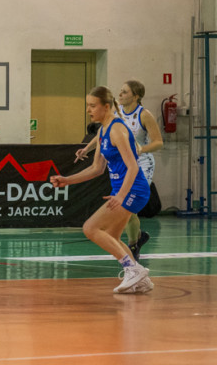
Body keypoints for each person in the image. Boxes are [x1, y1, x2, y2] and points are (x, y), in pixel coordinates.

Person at [52, 86, 154, 294]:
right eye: (87, 106)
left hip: (134, 189)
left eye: (92, 106)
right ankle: (140, 276)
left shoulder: (117, 129)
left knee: (90, 228)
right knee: (111, 237)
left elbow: (133, 166)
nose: (89, 110)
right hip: (123, 189)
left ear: (106, 106)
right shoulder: (102, 131)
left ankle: (132, 269)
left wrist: (121, 195)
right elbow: (96, 168)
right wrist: (67, 180)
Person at [76, 80, 164, 260]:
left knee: (128, 206)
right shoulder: (117, 114)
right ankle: (136, 241)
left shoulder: (144, 115)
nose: (121, 94)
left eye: (125, 92)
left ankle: (133, 245)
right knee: (125, 210)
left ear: (136, 96)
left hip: (142, 164)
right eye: (120, 92)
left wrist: (141, 148)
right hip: (125, 164)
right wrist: (87, 148)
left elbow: (158, 142)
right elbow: (103, 133)